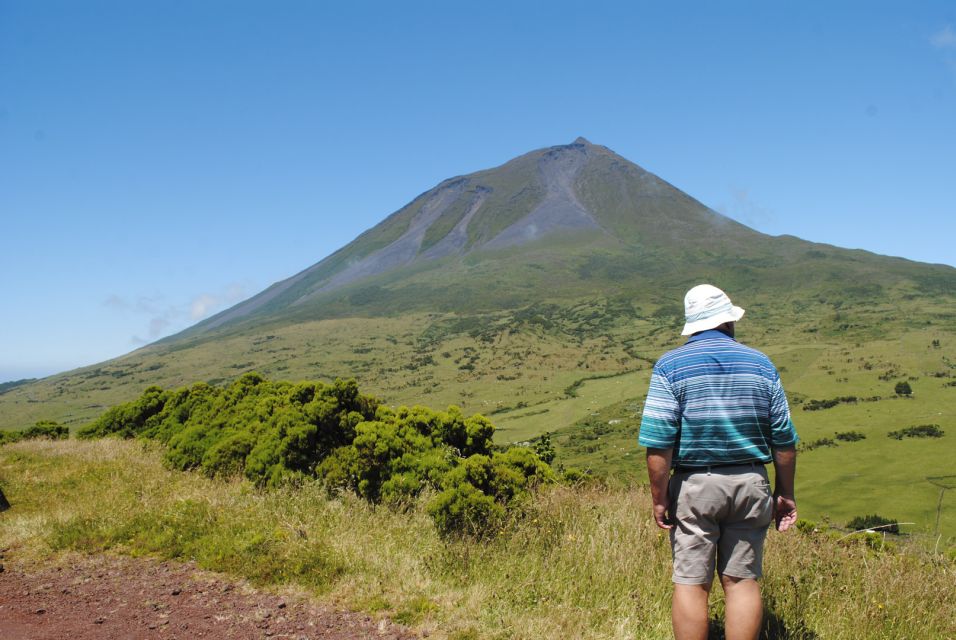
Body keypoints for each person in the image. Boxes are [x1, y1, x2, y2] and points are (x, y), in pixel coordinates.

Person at [638, 284, 798, 640]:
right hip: (751, 482)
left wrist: (659, 497)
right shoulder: (761, 363)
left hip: (695, 487)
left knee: (692, 583)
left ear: (692, 325)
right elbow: (784, 438)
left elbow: (658, 442)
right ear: (728, 322)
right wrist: (785, 492)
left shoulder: (670, 366)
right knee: (741, 581)